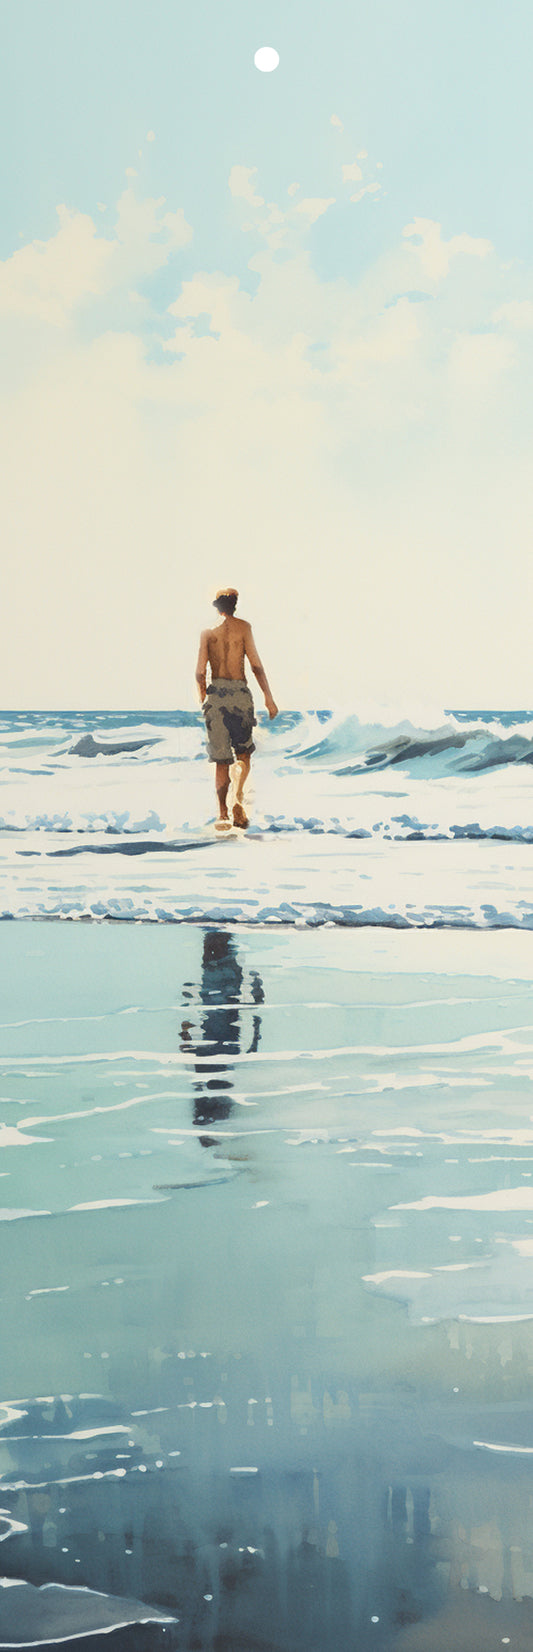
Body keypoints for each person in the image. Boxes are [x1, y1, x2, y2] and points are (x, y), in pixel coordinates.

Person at [195, 587, 278, 830]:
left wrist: (203, 698)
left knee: (221, 761)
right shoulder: (244, 628)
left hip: (217, 695)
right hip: (240, 694)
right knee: (243, 754)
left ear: (217, 607)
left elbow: (200, 672)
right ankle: (238, 797)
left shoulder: (207, 634)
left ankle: (222, 814)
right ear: (234, 605)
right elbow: (256, 666)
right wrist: (268, 698)